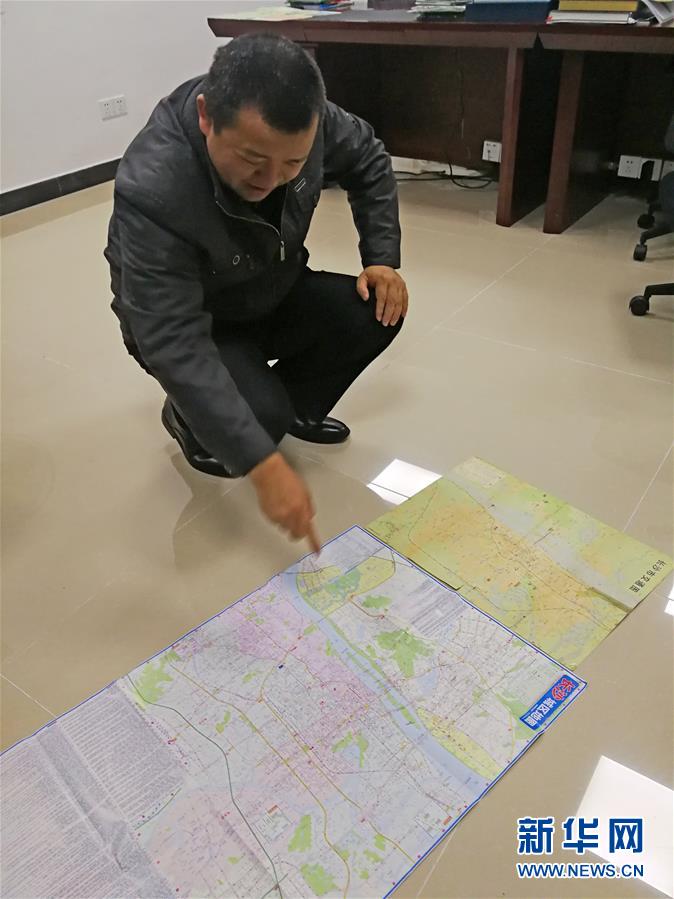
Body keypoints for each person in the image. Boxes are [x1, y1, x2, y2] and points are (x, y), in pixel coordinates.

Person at [105, 34, 408, 551]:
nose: (271, 179)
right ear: (207, 117)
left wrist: (381, 258)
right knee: (257, 426)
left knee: (378, 308)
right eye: (252, 159)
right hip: (202, 324)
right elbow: (171, 338)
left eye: (293, 164)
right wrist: (262, 465)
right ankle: (189, 417)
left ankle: (283, 409)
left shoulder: (312, 121)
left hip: (272, 287)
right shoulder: (154, 186)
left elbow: (369, 158)